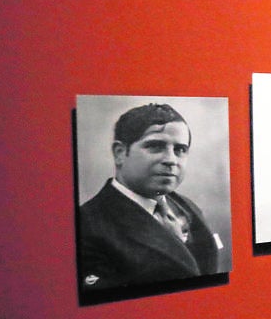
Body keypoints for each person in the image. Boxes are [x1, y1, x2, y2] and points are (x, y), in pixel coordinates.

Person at [77, 103, 220, 292]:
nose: (171, 160)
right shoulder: (88, 224)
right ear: (120, 153)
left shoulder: (187, 207)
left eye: (180, 150)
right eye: (155, 146)